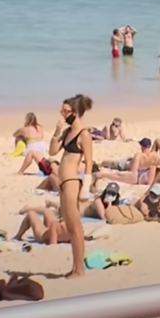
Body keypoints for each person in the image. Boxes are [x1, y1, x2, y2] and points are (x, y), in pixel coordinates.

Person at [48, 94, 94, 278]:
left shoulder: (84, 135)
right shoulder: (67, 132)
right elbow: (52, 151)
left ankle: (80, 269)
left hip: (72, 182)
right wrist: (56, 132)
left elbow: (89, 163)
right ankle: (75, 267)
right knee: (69, 226)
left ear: (75, 112)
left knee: (75, 227)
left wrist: (86, 187)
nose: (62, 114)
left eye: (65, 111)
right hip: (63, 183)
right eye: (62, 110)